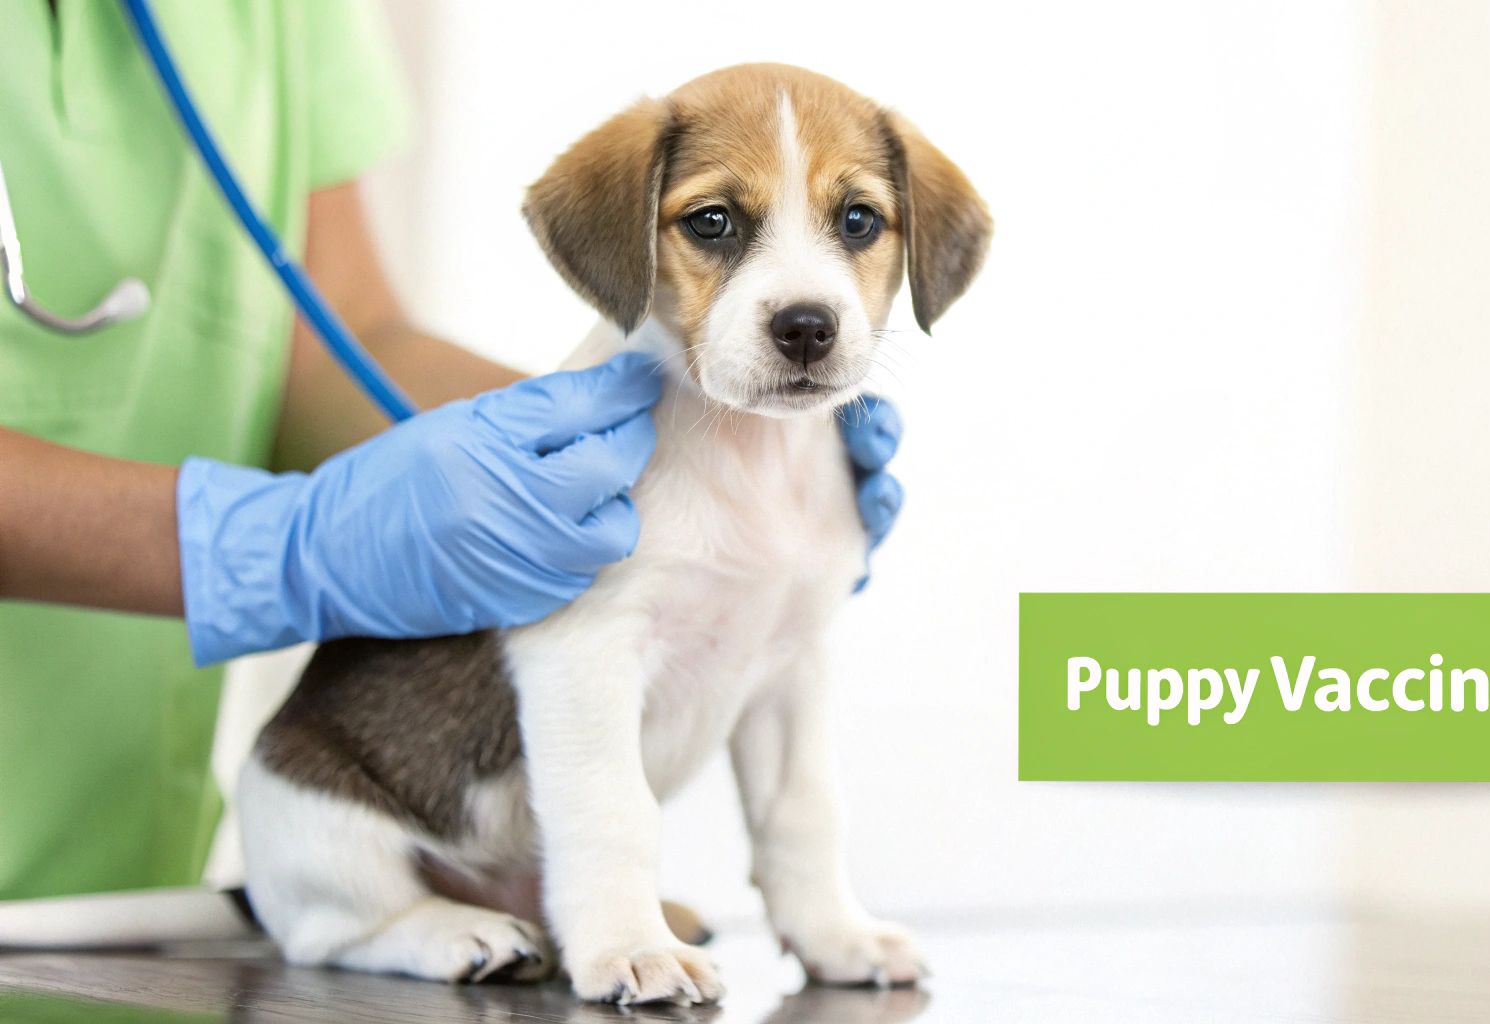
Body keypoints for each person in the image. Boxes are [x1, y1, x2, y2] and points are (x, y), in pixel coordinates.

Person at [0, 1, 902, 903]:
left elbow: (348, 334)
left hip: (119, 876)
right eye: (712, 225)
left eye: (855, 222)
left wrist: (628, 450)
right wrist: (281, 546)